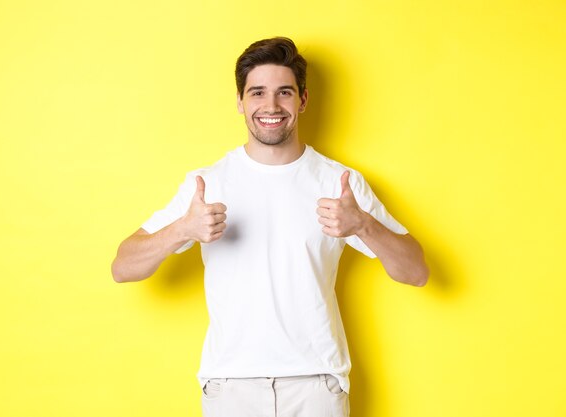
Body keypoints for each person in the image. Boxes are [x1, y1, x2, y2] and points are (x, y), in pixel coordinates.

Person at [111, 37, 429, 417]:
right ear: (240, 102)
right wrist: (182, 229)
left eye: (284, 92)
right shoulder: (206, 184)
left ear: (303, 100)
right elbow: (122, 267)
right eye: (257, 92)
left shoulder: (339, 182)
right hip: (231, 387)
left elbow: (416, 271)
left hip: (316, 386)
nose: (271, 106)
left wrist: (362, 224)